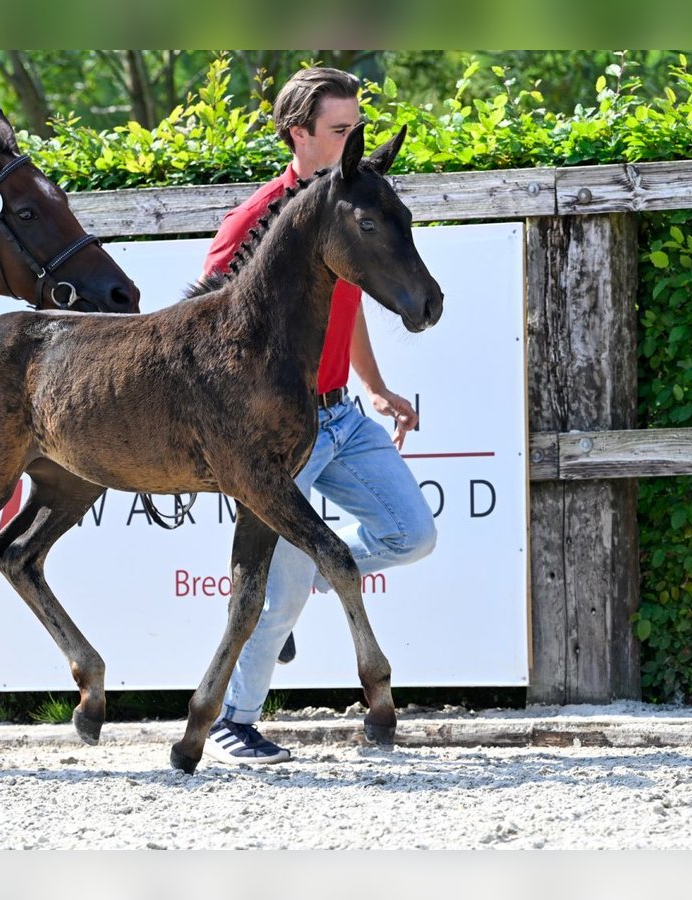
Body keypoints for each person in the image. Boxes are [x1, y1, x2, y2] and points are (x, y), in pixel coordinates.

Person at [201, 66, 437, 764]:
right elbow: (208, 322)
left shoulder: (349, 207)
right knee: (276, 596)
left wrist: (379, 386)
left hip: (342, 416)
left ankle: (304, 576)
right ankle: (233, 722)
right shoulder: (256, 220)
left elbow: (350, 308)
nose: (352, 140)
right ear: (298, 134)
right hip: (279, 434)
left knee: (412, 534)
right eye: (340, 130)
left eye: (355, 128)